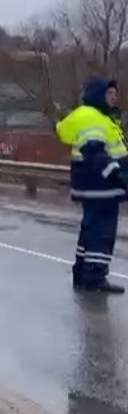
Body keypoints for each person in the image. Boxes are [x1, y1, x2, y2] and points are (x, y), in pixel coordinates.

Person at [56, 77, 127, 293]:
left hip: (93, 185)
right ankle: (95, 277)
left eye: (115, 94)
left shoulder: (94, 115)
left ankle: (82, 272)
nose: (114, 98)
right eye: (109, 94)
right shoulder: (92, 117)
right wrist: (117, 176)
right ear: (98, 95)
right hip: (102, 186)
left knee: (90, 228)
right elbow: (94, 152)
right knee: (102, 231)